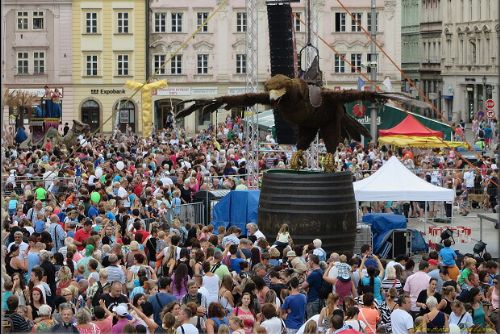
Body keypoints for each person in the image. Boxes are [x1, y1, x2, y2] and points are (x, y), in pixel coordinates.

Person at [302, 254, 323, 318]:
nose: (308, 262)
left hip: (313, 299)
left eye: (308, 260)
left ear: (312, 262)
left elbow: (303, 286)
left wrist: (306, 276)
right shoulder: (321, 271)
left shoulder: (313, 274)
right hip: (320, 299)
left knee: (312, 320)